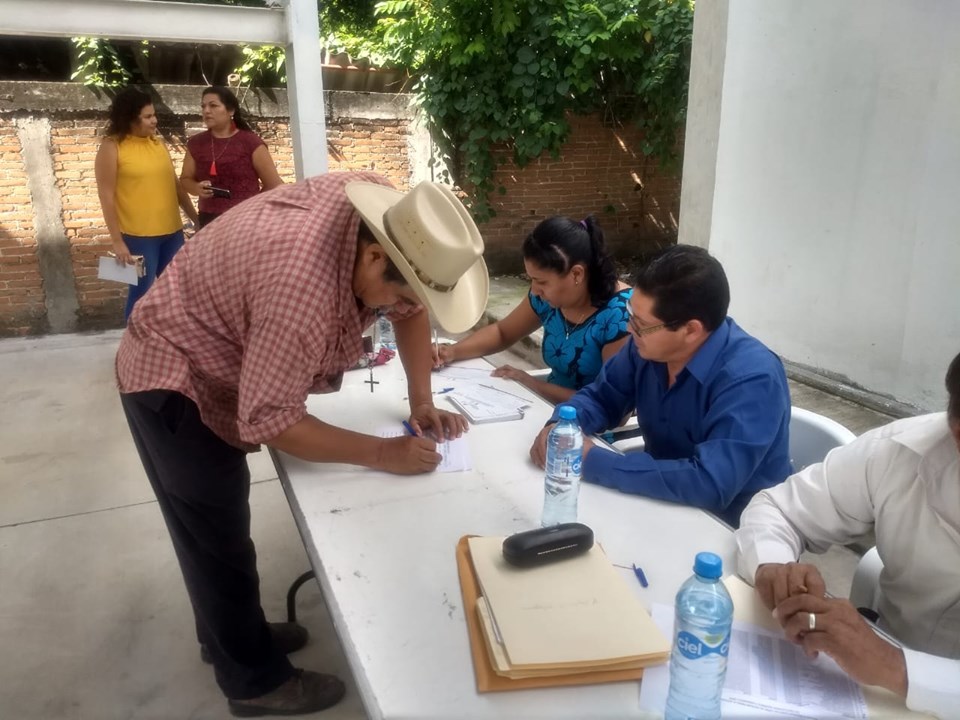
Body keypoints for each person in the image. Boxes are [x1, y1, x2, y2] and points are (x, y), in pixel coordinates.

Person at [116, 172, 488, 716]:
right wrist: (383, 453)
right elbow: (270, 418)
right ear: (372, 259)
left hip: (220, 347)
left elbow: (412, 309)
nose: (393, 311)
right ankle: (252, 681)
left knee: (218, 535)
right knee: (215, 534)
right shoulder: (301, 288)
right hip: (173, 374)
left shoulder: (396, 221)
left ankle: (229, 635)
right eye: (393, 297)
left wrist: (420, 399)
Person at [735, 351, 960, 718]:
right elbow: (777, 509)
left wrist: (896, 667)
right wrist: (772, 565)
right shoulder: (901, 453)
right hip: (870, 692)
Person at [529, 244, 792, 527]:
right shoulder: (647, 347)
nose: (630, 330)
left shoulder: (752, 379)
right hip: (655, 505)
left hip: (732, 531)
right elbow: (603, 397)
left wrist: (591, 461)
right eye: (631, 315)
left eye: (641, 324)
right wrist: (561, 426)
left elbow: (710, 483)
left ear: (691, 330)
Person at [434, 215, 631, 404]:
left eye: (541, 281)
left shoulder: (620, 316)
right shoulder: (548, 299)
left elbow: (612, 405)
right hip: (547, 408)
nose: (535, 290)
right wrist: (451, 352)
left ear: (576, 274)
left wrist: (532, 385)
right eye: (531, 279)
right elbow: (503, 332)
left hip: (592, 430)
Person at [94, 87, 198, 320]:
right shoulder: (111, 148)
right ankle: (130, 352)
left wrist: (196, 219)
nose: (155, 120)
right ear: (131, 118)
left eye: (154, 115)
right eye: (148, 116)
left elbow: (176, 187)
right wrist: (117, 242)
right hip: (138, 237)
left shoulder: (157, 144)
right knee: (141, 294)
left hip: (172, 234)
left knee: (180, 292)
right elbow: (106, 196)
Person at [180, 86, 284, 228]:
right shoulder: (196, 143)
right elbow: (185, 179)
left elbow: (274, 184)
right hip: (209, 219)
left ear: (231, 111)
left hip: (245, 220)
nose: (206, 111)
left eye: (213, 106)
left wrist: (250, 206)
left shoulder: (250, 142)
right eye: (203, 106)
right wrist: (196, 188)